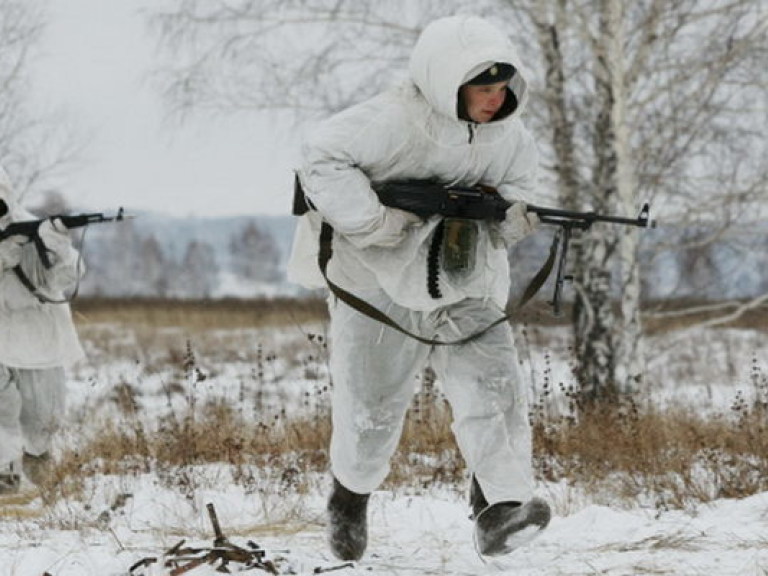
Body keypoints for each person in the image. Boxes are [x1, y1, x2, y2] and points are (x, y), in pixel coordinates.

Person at [288, 14, 551, 559]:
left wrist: (512, 219)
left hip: (463, 279)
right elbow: (319, 157)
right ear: (446, 81)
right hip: (376, 283)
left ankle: (500, 509)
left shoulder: (510, 136)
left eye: (502, 87)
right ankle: (349, 498)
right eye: (483, 87)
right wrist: (375, 223)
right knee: (372, 407)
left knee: (495, 389)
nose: (494, 99)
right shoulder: (390, 121)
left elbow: (520, 188)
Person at [0, 166, 85, 494]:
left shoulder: (33, 229)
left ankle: (43, 482)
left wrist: (57, 248)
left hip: (36, 342)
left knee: (40, 424)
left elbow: (68, 279)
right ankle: (5, 476)